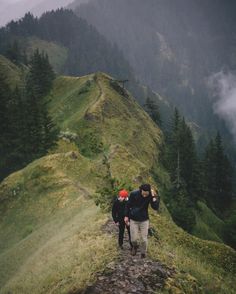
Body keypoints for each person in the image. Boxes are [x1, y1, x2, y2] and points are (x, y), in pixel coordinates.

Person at [124, 183, 160, 258]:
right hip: (133, 219)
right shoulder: (134, 194)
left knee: (144, 239)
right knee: (133, 239)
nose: (144, 195)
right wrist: (126, 216)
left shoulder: (151, 195)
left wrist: (153, 196)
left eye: (146, 194)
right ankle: (135, 246)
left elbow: (155, 207)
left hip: (144, 220)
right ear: (141, 190)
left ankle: (143, 253)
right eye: (143, 193)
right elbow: (128, 205)